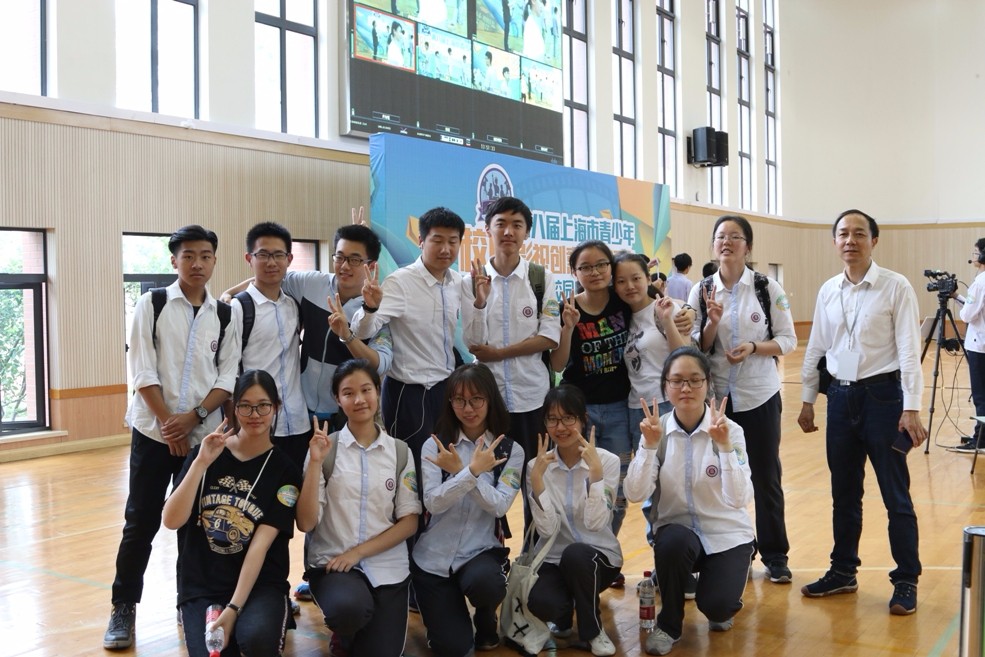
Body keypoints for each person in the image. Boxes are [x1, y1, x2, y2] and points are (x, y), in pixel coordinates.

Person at [104, 225, 240, 650]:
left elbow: (227, 376)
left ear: (214, 260)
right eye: (188, 256)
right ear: (173, 260)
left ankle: (190, 604)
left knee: (197, 526)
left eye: (205, 255)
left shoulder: (225, 314)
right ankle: (123, 606)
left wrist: (193, 418)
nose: (197, 263)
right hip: (152, 433)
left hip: (202, 438)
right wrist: (169, 423)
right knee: (140, 521)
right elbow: (142, 370)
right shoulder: (153, 303)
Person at [798, 209, 927, 615]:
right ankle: (843, 571)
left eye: (858, 233)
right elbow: (817, 346)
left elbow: (909, 350)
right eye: (842, 234)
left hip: (884, 400)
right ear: (835, 241)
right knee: (844, 492)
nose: (850, 240)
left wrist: (911, 407)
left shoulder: (895, 286)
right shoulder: (828, 290)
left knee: (895, 494)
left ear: (874, 240)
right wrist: (807, 398)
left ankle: (906, 579)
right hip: (840, 398)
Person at [624, 347, 756, 656]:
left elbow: (739, 498)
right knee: (672, 542)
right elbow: (634, 493)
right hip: (679, 534)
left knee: (718, 608)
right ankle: (669, 625)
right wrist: (648, 447)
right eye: (677, 380)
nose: (686, 388)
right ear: (665, 385)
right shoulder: (656, 431)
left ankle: (723, 588)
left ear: (708, 384)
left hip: (725, 534)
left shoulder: (730, 431)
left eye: (695, 380)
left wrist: (724, 448)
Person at [688, 215, 796, 584]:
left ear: (748, 246)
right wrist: (711, 323)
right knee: (718, 476)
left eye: (735, 236)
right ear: (713, 245)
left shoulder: (766, 287)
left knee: (766, 476)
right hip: (717, 399)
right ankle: (733, 550)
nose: (727, 242)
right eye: (721, 236)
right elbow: (696, 347)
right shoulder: (701, 290)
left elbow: (788, 340)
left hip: (759, 395)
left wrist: (753, 347)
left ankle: (775, 555)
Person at [162, 369, 302, 657]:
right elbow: (171, 520)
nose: (255, 414)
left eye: (263, 405)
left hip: (260, 585)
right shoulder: (205, 453)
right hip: (203, 585)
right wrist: (200, 463)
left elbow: (259, 547)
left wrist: (234, 608)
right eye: (245, 406)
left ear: (276, 407)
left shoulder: (285, 470)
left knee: (257, 640)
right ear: (234, 408)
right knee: (214, 652)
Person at [349, 207, 486, 494]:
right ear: (421, 241)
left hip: (445, 390)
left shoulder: (458, 282)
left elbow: (475, 341)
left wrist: (480, 304)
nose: (446, 249)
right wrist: (370, 307)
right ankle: (409, 525)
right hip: (408, 393)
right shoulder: (401, 282)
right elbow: (362, 332)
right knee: (411, 477)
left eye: (453, 241)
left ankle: (438, 523)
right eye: (438, 240)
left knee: (446, 472)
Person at [296, 359, 421, 656]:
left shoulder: (400, 452)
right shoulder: (325, 449)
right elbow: (306, 523)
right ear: (337, 399)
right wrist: (315, 463)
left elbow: (409, 522)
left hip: (387, 568)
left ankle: (358, 634)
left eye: (366, 390)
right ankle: (346, 632)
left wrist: (359, 553)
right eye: (348, 393)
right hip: (334, 565)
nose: (359, 399)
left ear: (378, 391)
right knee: (348, 610)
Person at [412, 363, 525, 656]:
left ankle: (486, 617)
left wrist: (463, 472)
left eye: (476, 399)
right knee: (455, 649)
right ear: (450, 403)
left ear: (490, 399)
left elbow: (500, 506)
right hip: (432, 559)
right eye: (459, 400)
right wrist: (471, 473)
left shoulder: (509, 450)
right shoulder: (434, 446)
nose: (468, 408)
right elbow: (433, 502)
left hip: (480, 552)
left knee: (487, 584)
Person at [466, 196, 560, 536]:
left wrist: (500, 353)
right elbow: (472, 342)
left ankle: (535, 555)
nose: (508, 231)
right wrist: (479, 302)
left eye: (517, 225)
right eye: (501, 224)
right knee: (486, 482)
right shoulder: (472, 280)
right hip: (488, 405)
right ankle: (490, 553)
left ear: (526, 233)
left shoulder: (540, 278)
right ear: (487, 229)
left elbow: (549, 336)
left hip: (532, 399)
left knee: (535, 482)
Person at [526, 385, 622, 657]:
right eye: (552, 419)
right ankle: (563, 617)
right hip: (554, 560)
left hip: (598, 559)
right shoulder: (536, 467)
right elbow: (546, 530)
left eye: (568, 418)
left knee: (577, 554)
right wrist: (537, 482)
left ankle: (593, 631)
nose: (561, 427)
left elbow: (595, 524)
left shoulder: (607, 462)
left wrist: (595, 476)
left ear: (583, 419)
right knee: (540, 601)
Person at [954, 237, 985, 451]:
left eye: (975, 252)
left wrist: (960, 302)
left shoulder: (980, 283)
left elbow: (967, 315)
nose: (973, 256)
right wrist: (957, 296)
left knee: (981, 396)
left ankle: (981, 439)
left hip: (979, 346)